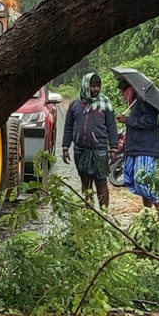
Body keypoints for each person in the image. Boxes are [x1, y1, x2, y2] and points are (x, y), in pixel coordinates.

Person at [61, 72, 120, 211]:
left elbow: (112, 128)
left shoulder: (105, 105)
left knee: (101, 181)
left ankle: (104, 213)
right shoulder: (74, 105)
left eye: (97, 86)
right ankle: (89, 212)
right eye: (92, 86)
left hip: (99, 150)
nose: (95, 89)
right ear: (85, 86)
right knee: (85, 182)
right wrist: (65, 147)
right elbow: (68, 127)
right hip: (80, 150)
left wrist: (113, 148)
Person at [116, 77, 159, 214]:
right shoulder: (135, 103)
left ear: (128, 90)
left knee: (145, 182)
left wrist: (128, 120)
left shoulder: (144, 102)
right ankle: (147, 214)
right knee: (137, 181)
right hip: (136, 147)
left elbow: (149, 121)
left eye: (122, 92)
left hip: (147, 148)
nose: (122, 95)